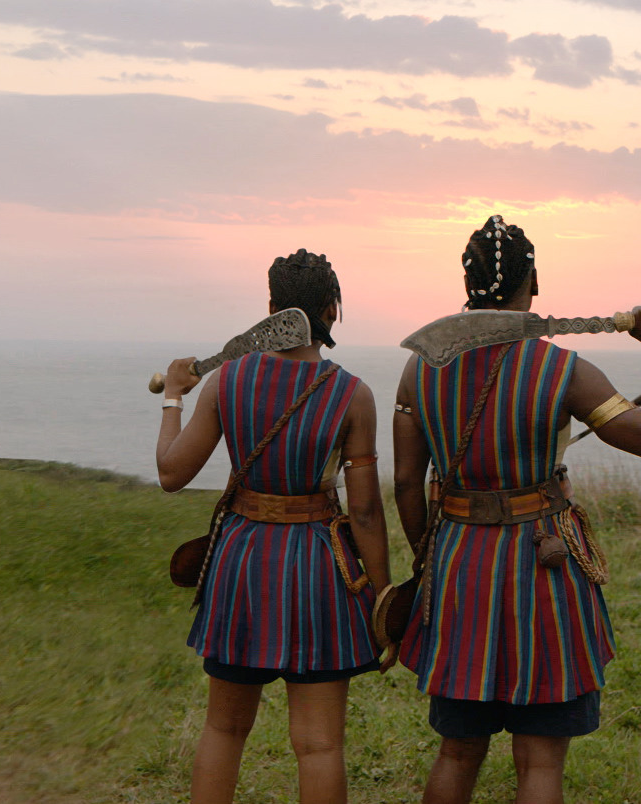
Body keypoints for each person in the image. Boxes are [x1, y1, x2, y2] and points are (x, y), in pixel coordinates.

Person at [392, 215, 641, 804]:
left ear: (469, 283)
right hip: (542, 566)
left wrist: (429, 552)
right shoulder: (563, 370)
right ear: (534, 280)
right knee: (539, 762)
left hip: (457, 566)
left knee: (457, 751)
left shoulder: (419, 368)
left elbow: (406, 479)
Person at [154, 249, 392, 804]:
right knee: (319, 747)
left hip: (242, 561)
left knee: (224, 730)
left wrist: (171, 397)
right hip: (318, 567)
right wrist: (381, 599)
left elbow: (171, 473)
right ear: (332, 310)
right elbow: (364, 512)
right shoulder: (352, 394)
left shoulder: (225, 382)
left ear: (270, 308)